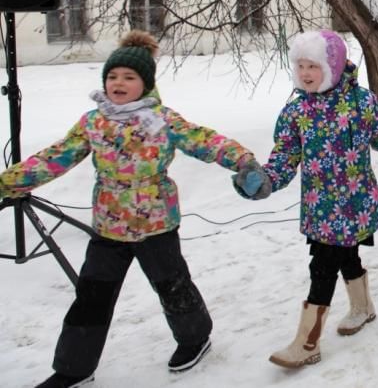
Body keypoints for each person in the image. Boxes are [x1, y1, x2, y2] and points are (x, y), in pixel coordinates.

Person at [0, 30, 260, 388]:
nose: (118, 83)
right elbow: (55, 157)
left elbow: (205, 140)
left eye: (128, 77)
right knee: (92, 296)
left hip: (156, 224)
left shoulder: (162, 120)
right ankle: (74, 367)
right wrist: (9, 181)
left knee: (173, 287)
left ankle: (195, 338)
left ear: (146, 84)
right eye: (112, 76)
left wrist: (243, 161)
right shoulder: (94, 122)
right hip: (109, 226)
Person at [232, 29, 378, 369]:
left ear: (333, 67)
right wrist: (264, 181)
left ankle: (308, 343)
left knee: (323, 269)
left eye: (314, 66)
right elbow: (284, 159)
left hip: (355, 205)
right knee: (342, 259)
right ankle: (363, 309)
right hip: (321, 208)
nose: (305, 73)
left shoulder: (360, 102)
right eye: (301, 66)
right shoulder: (296, 112)